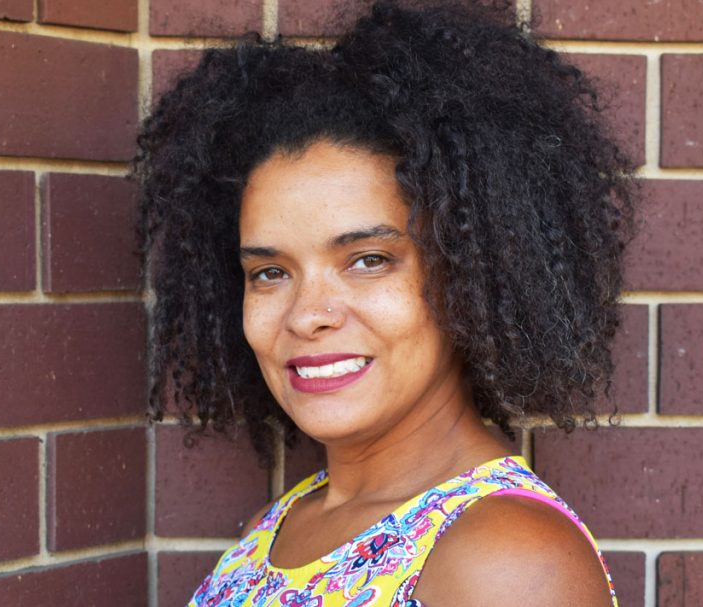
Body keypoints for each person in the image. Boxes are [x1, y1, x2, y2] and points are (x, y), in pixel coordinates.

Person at [135, 1, 636, 605]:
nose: (306, 313)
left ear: (474, 270)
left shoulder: (508, 561)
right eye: (270, 272)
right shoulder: (277, 528)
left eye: (369, 259)